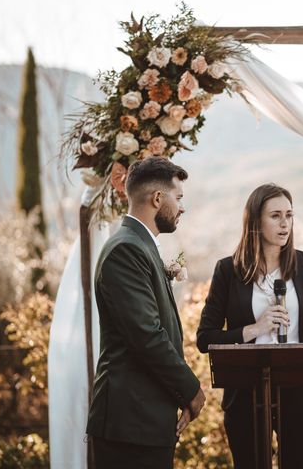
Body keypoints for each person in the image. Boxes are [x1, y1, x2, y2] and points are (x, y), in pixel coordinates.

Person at [196, 183, 303, 468]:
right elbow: (204, 337)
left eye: (289, 215)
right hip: (244, 392)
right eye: (275, 216)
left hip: (299, 389)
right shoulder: (227, 271)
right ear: (255, 221)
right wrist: (253, 330)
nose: (285, 224)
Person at [86, 157, 205, 469]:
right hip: (130, 425)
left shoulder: (140, 245)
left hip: (145, 420)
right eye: (178, 198)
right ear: (157, 198)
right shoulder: (126, 250)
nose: (182, 208)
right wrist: (191, 390)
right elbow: (147, 335)